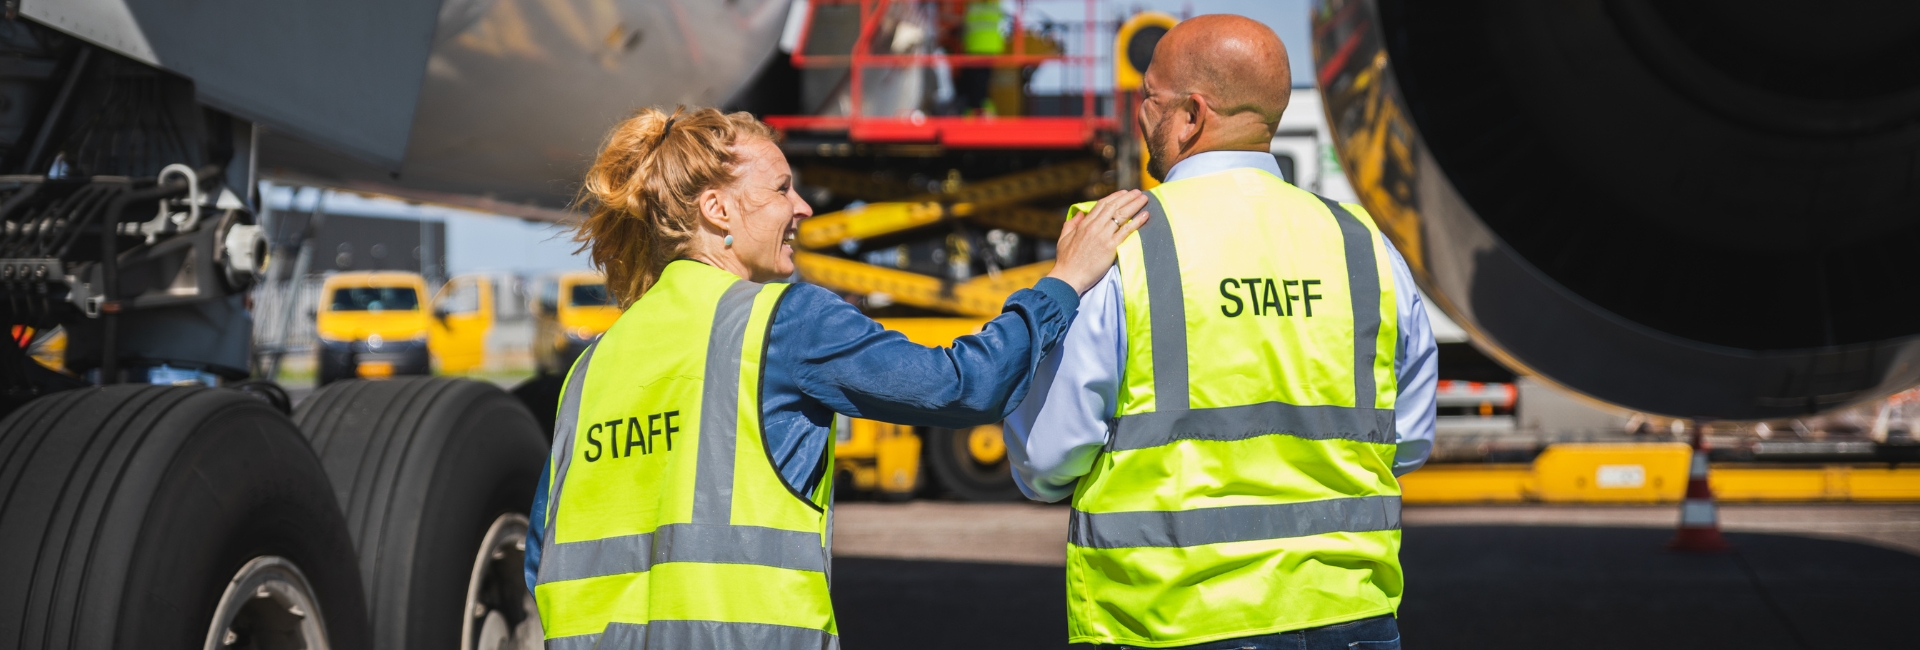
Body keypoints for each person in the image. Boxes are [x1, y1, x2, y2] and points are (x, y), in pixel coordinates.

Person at [523, 105, 1147, 649]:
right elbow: (964, 383)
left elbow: (540, 554)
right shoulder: (783, 321)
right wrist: (1065, 281)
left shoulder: (592, 366)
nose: (803, 206)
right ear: (717, 210)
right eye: (780, 189)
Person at [1003, 15, 1436, 650]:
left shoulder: (1118, 245)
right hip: (1350, 616)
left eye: (1149, 97)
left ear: (1190, 116)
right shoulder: (1364, 247)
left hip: (1171, 620)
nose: (1141, 116)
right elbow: (1412, 440)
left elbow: (1044, 459)